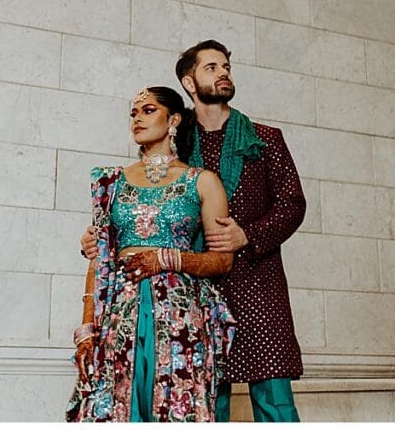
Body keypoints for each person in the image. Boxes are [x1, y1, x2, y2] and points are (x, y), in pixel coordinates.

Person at [82, 40, 306, 422]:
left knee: (274, 397)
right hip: (194, 290)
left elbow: (292, 205)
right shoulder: (178, 139)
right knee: (202, 398)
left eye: (226, 67)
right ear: (189, 82)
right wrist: (103, 238)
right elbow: (150, 201)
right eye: (211, 68)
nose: (223, 73)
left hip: (258, 283)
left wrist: (247, 235)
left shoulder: (265, 139)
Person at [66, 86, 236, 422]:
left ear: (173, 119)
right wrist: (87, 328)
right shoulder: (110, 183)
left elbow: (222, 260)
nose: (137, 119)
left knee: (176, 408)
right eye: (133, 113)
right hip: (121, 309)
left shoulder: (202, 181)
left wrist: (166, 259)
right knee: (113, 406)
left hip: (179, 316)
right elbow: (99, 257)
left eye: (148, 110)